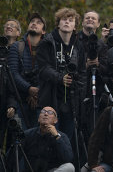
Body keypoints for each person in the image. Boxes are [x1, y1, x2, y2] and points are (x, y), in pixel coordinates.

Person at [36, 8, 86, 140]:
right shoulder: (47, 42)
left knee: (66, 138)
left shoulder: (79, 46)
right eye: (64, 19)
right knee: (48, 136)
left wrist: (75, 84)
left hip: (71, 100)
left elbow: (82, 72)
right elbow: (43, 68)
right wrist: (60, 78)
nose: (67, 22)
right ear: (58, 23)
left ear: (75, 26)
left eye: (71, 20)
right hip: (50, 96)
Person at [8, 13, 46, 129]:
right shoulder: (16, 46)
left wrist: (36, 93)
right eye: (32, 21)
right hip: (20, 100)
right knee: (19, 137)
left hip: (40, 101)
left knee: (37, 139)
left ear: (43, 31)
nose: (34, 23)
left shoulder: (48, 48)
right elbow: (13, 74)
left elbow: (47, 73)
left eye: (38, 22)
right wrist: (29, 89)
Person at [21, 106, 74, 172]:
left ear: (55, 120)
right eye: (43, 112)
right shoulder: (28, 134)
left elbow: (68, 158)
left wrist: (56, 137)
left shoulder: (62, 136)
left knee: (69, 167)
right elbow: (13, 156)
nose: (45, 114)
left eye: (50, 112)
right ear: (38, 119)